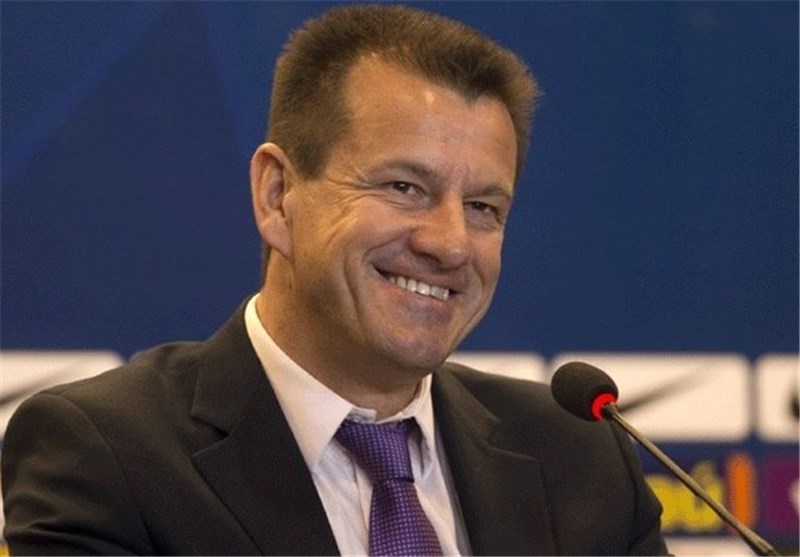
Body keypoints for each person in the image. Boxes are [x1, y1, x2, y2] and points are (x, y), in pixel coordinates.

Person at [2, 4, 668, 556]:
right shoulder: (108, 456)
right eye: (404, 187)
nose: (449, 244)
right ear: (278, 195)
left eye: (483, 208)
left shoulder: (580, 459)